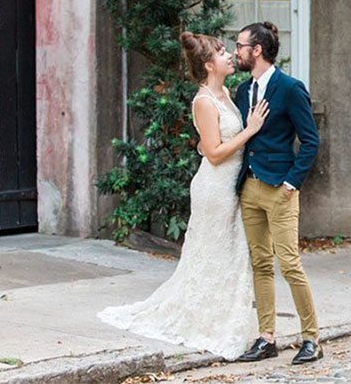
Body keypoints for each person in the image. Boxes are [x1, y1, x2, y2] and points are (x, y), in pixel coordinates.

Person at [98, 32, 268, 360]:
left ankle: (219, 317)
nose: (229, 56)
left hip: (230, 186)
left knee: (228, 255)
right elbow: (216, 154)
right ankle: (204, 321)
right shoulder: (203, 100)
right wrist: (250, 130)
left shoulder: (225, 94)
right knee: (215, 254)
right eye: (221, 53)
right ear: (208, 65)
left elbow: (207, 144)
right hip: (215, 188)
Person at [233, 21, 322, 365]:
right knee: (260, 264)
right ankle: (266, 337)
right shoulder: (243, 91)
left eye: (240, 45)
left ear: (256, 50)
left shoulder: (289, 88)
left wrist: (291, 183)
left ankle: (311, 338)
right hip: (249, 188)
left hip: (280, 189)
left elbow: (311, 141)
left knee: (290, 264)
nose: (237, 50)